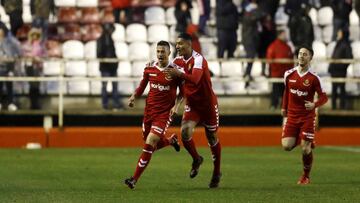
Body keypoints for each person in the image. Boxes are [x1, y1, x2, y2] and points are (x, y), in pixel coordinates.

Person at [164, 33, 221, 188]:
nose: (177, 46)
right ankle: (196, 159)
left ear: (189, 44)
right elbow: (179, 85)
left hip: (208, 105)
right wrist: (176, 105)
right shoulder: (177, 61)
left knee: (211, 137)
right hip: (193, 105)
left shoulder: (198, 59)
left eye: (180, 43)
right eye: (176, 44)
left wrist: (179, 73)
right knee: (185, 132)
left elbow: (195, 79)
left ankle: (216, 172)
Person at [124, 41, 183, 189]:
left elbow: (183, 92)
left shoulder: (175, 71)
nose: (160, 54)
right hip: (149, 112)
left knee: (149, 143)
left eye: (163, 52)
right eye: (158, 52)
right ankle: (171, 141)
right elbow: (143, 84)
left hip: (164, 114)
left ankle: (134, 179)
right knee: (149, 144)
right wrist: (133, 96)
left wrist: (176, 106)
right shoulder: (150, 68)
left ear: (169, 53)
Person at [281, 46, 328, 185]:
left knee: (305, 148)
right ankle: (306, 138)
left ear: (310, 58)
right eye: (300, 54)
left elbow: (324, 97)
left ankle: (305, 176)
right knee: (286, 146)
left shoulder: (314, 78)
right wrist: (284, 108)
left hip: (308, 116)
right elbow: (286, 92)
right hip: (292, 117)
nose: (301, 56)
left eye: (305, 54)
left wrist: (315, 104)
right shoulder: (288, 74)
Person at [97, 23, 123, 110]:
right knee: (105, 86)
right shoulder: (101, 40)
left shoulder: (110, 39)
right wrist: (107, 59)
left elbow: (113, 52)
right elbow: (99, 54)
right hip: (105, 67)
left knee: (114, 85)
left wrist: (115, 61)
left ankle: (115, 104)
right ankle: (105, 104)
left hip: (112, 66)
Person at [266, 29, 293, 110]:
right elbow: (270, 59)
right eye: (284, 35)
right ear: (279, 35)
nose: (285, 36)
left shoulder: (287, 47)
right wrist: (275, 69)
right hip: (276, 74)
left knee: (285, 92)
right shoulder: (273, 46)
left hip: (285, 75)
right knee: (275, 92)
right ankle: (273, 106)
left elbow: (291, 60)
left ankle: (283, 107)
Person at [328, 28, 353, 110]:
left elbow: (349, 58)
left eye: (339, 33)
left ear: (342, 34)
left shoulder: (345, 44)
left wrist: (341, 67)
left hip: (340, 71)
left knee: (342, 90)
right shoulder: (338, 43)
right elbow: (334, 56)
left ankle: (342, 108)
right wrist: (331, 67)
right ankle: (333, 108)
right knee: (334, 90)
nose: (338, 34)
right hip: (334, 71)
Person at [22, 28, 46, 109]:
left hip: (37, 67)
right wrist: (31, 55)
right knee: (32, 85)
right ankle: (32, 103)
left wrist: (37, 58)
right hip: (29, 66)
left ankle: (36, 103)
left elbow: (43, 55)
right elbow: (24, 53)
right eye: (33, 35)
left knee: (36, 85)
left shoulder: (40, 45)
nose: (35, 37)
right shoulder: (27, 44)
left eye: (36, 35)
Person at [0, 27, 21, 111]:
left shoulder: (9, 43)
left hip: (8, 68)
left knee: (9, 86)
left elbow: (14, 54)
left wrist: (11, 66)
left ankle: (11, 103)